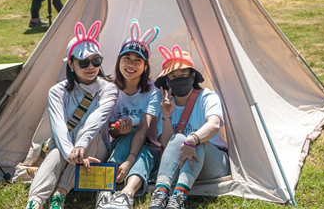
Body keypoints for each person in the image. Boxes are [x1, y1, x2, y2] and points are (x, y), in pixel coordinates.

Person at [26, 21, 118, 209]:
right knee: (57, 151)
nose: (91, 67)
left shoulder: (108, 89)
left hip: (95, 146)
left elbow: (96, 119)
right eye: (83, 62)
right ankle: (34, 202)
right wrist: (71, 153)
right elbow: (58, 126)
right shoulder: (57, 91)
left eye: (96, 61)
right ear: (71, 63)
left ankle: (60, 193)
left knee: (88, 136)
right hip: (65, 147)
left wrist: (81, 146)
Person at [148, 46, 230, 209]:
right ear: (167, 82)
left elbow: (213, 124)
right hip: (182, 164)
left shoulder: (207, 97)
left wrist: (192, 140)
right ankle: (161, 194)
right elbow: (167, 143)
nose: (179, 79)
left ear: (193, 76)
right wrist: (166, 116)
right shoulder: (165, 105)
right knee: (178, 138)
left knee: (194, 140)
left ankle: (179, 197)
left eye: (184, 74)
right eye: (173, 76)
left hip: (213, 163)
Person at [96, 20, 161, 209]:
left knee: (144, 152)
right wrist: (118, 131)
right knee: (127, 136)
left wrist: (129, 160)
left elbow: (144, 126)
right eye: (127, 58)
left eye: (137, 60)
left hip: (148, 143)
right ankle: (105, 192)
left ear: (145, 65)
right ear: (119, 61)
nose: (131, 65)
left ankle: (126, 194)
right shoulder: (109, 88)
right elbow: (107, 129)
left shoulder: (152, 90)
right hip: (120, 143)